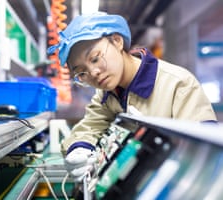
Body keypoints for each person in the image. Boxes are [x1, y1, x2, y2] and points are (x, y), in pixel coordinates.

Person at [47, 12, 217, 181]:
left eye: (95, 58)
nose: (94, 73)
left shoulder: (178, 84)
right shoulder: (108, 93)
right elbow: (90, 125)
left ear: (117, 41)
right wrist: (79, 148)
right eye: (82, 72)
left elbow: (206, 158)